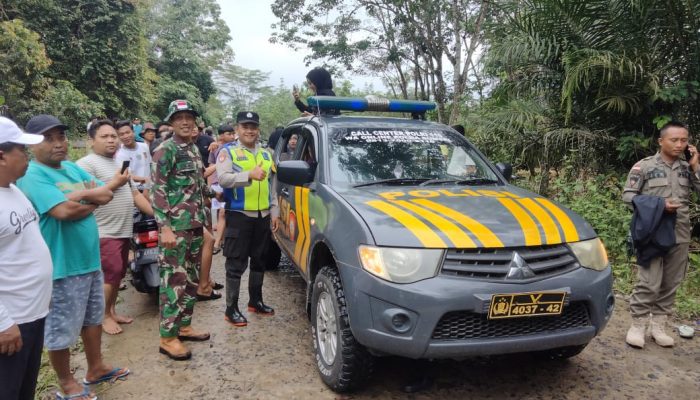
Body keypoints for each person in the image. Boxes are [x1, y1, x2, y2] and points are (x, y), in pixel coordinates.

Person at [17, 114, 129, 400]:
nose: (58, 144)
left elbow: (103, 195)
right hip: (61, 265)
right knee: (61, 328)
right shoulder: (31, 175)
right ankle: (66, 383)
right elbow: (63, 212)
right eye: (49, 139)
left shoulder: (69, 168)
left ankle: (96, 368)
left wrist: (82, 198)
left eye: (61, 137)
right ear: (32, 145)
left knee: (92, 318)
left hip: (89, 259)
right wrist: (90, 197)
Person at [622, 121, 700, 348]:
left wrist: (695, 167)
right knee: (649, 281)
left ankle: (658, 325)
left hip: (680, 231)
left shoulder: (688, 167)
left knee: (672, 280)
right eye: (674, 140)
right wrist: (659, 204)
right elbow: (628, 197)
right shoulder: (644, 167)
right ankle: (637, 325)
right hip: (652, 231)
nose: (679, 144)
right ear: (661, 141)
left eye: (684, 140)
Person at [76, 120, 153, 335]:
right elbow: (86, 196)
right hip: (103, 230)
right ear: (91, 141)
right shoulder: (85, 165)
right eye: (105, 137)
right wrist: (115, 184)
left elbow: (135, 195)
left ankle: (111, 310)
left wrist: (159, 215)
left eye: (113, 136)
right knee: (109, 274)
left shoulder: (119, 164)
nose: (111, 140)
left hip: (123, 229)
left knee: (117, 273)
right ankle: (102, 317)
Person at [151, 100, 212, 360]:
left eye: (190, 117)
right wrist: (164, 227)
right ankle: (167, 337)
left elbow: (195, 185)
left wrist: (213, 193)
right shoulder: (165, 150)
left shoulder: (194, 149)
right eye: (179, 118)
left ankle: (183, 326)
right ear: (171, 123)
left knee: (190, 280)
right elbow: (158, 190)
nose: (186, 122)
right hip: (175, 229)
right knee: (173, 281)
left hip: (195, 225)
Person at [0, 117, 52, 400]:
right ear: (1, 155)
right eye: (22, 149)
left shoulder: (13, 189)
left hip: (32, 313)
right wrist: (2, 323)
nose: (27, 155)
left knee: (23, 390)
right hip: (11, 322)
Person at [216, 111, 280, 326]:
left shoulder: (266, 154)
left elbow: (272, 186)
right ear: (237, 129)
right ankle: (231, 309)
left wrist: (275, 213)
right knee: (236, 263)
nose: (249, 130)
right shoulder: (228, 152)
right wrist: (248, 176)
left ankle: (255, 301)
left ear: (258, 130)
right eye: (245, 126)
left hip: (262, 216)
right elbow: (223, 179)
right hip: (240, 215)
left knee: (260, 260)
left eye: (253, 127)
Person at [207, 124, 237, 252]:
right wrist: (209, 187)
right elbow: (210, 168)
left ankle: (217, 242)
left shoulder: (237, 147)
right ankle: (220, 240)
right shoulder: (215, 148)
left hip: (232, 183)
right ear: (221, 136)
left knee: (224, 212)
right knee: (221, 212)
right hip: (218, 184)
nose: (231, 136)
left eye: (232, 134)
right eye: (228, 134)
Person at [115, 120, 152, 198]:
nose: (125, 136)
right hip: (134, 191)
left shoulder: (144, 146)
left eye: (127, 132)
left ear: (133, 132)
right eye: (121, 134)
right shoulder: (119, 154)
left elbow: (149, 164)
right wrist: (144, 179)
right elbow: (127, 175)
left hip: (150, 188)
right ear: (118, 137)